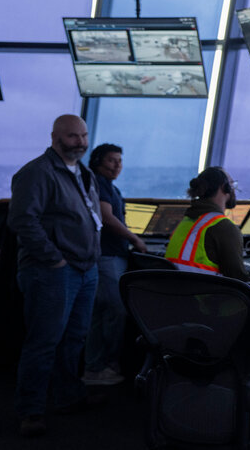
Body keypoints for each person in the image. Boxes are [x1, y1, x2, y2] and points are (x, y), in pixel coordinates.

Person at [8, 114, 103, 437]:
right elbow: (22, 221)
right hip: (52, 272)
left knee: (75, 339)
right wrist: (55, 260)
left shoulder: (83, 172)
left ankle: (67, 396)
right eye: (73, 136)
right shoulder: (36, 173)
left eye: (84, 135)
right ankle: (31, 411)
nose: (80, 142)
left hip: (85, 269)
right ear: (55, 137)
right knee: (43, 342)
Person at [82, 143, 146, 386]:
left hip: (109, 256)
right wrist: (134, 238)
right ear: (98, 161)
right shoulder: (99, 184)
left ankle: (95, 367)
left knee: (100, 313)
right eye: (111, 160)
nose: (117, 165)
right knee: (115, 310)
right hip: (107, 257)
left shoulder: (110, 187)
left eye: (120, 160)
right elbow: (107, 218)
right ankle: (105, 366)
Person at [164, 166, 250, 282]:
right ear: (224, 187)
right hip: (202, 297)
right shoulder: (224, 227)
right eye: (232, 185)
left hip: (174, 294)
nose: (234, 189)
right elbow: (239, 278)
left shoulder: (186, 221)